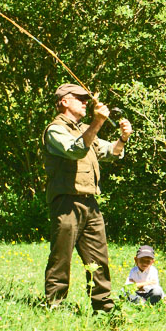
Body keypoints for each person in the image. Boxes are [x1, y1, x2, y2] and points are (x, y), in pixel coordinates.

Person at [43, 83, 132, 313]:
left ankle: (103, 308)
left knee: (98, 259)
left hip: (91, 203)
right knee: (61, 258)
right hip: (66, 202)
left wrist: (123, 138)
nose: (85, 102)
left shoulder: (84, 128)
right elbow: (75, 149)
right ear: (64, 102)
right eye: (79, 98)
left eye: (86, 98)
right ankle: (54, 305)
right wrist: (98, 122)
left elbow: (110, 152)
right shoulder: (55, 130)